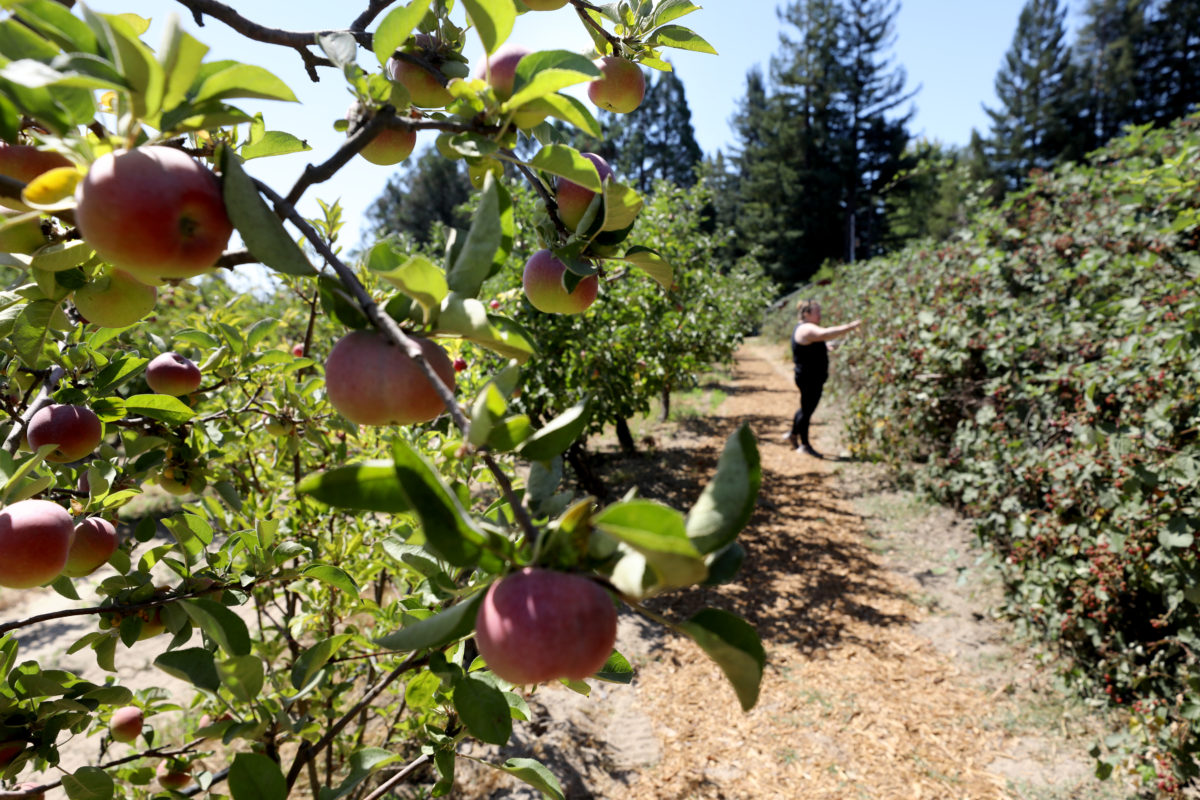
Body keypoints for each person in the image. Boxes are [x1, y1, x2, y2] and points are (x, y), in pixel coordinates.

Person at [787, 299, 861, 458]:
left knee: (805, 408)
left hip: (811, 377)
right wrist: (850, 327)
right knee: (807, 410)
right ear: (806, 313)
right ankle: (805, 445)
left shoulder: (806, 329)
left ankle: (793, 434)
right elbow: (825, 334)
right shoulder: (806, 328)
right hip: (809, 378)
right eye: (817, 312)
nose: (820, 315)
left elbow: (813, 344)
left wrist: (827, 347)